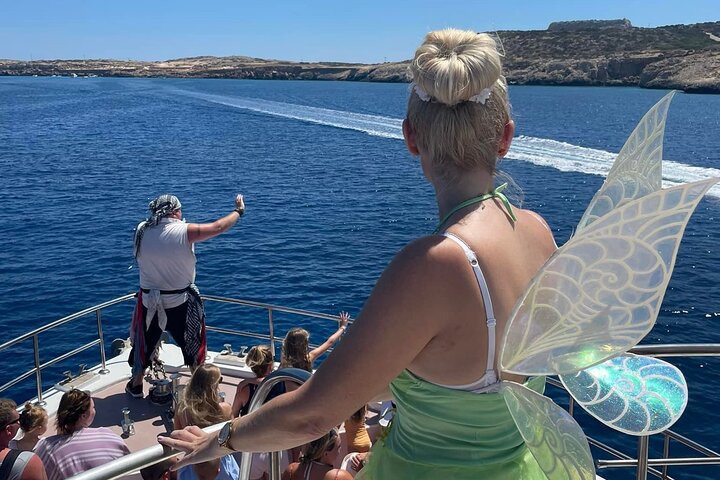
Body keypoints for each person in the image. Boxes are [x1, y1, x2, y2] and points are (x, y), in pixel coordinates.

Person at [159, 29, 556, 480]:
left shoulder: (435, 266)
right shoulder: (538, 233)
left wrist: (218, 438)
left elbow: (313, 415)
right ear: (505, 137)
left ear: (410, 137)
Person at [127, 193, 246, 398]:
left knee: (144, 344)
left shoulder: (142, 229)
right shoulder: (183, 231)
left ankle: (136, 384)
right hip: (179, 303)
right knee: (192, 345)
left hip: (148, 302)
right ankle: (200, 388)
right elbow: (218, 227)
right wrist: (239, 211)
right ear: (175, 212)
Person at [34, 390, 129, 480]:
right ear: (84, 416)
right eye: (93, 408)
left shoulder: (46, 447)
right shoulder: (108, 435)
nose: (95, 411)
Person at [174, 364, 237, 480]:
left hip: (193, 462)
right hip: (220, 463)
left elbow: (177, 437)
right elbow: (232, 436)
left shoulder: (182, 409)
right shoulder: (225, 409)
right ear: (214, 385)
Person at [280, 312, 350, 372]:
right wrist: (342, 327)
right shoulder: (309, 358)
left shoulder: (284, 361)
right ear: (304, 345)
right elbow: (330, 342)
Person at [232, 345, 286, 418]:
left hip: (250, 425)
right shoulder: (280, 382)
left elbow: (233, 415)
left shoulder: (243, 389)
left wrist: (247, 381)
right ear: (270, 366)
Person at [0, 399, 47, 480]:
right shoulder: (30, 462)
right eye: (17, 421)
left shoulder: (13, 444)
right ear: (8, 429)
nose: (19, 423)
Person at [281, 429, 353, 480]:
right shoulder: (339, 476)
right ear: (325, 453)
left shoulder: (291, 470)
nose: (339, 451)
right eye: (338, 447)